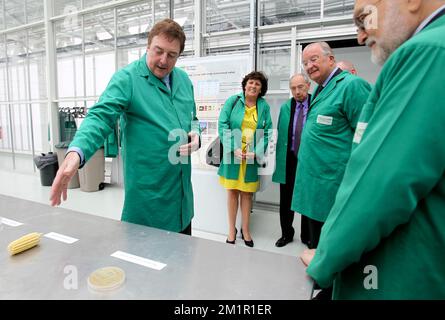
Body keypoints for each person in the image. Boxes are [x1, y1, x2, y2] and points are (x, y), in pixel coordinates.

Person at [304, 0, 445, 299]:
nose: (360, 36)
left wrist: (325, 259)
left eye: (364, 18)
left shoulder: (428, 51)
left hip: (395, 278)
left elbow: (381, 182)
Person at [50, 19, 200, 235]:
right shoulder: (128, 79)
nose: (163, 60)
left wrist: (196, 134)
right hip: (148, 199)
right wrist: (76, 153)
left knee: (181, 263)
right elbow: (100, 117)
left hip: (182, 199)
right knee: (146, 263)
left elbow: (193, 116)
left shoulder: (184, 80)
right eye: (158, 51)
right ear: (147, 46)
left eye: (172, 55)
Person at [291, 42, 371, 299]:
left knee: (333, 246)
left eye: (314, 59)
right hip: (316, 186)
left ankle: (333, 290)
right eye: (305, 63)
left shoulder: (351, 86)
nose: (309, 66)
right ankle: (323, 283)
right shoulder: (321, 90)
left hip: (334, 186)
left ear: (331, 59)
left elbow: (368, 136)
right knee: (317, 246)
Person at [218, 71, 273, 248]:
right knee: (232, 191)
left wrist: (256, 152)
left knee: (247, 194)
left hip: (250, 157)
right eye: (251, 82)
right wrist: (232, 147)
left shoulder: (263, 106)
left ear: (261, 89)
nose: (253, 86)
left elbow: (267, 131)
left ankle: (245, 230)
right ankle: (231, 230)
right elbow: (223, 125)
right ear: (245, 85)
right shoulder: (233, 101)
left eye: (257, 84)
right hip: (232, 154)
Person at [272, 73, 311, 248]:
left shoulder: (317, 103)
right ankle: (286, 233)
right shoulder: (286, 107)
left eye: (300, 87)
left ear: (308, 86)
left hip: (309, 161)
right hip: (289, 160)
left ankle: (307, 235)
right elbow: (282, 134)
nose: (297, 91)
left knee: (307, 197)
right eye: (293, 88)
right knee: (286, 199)